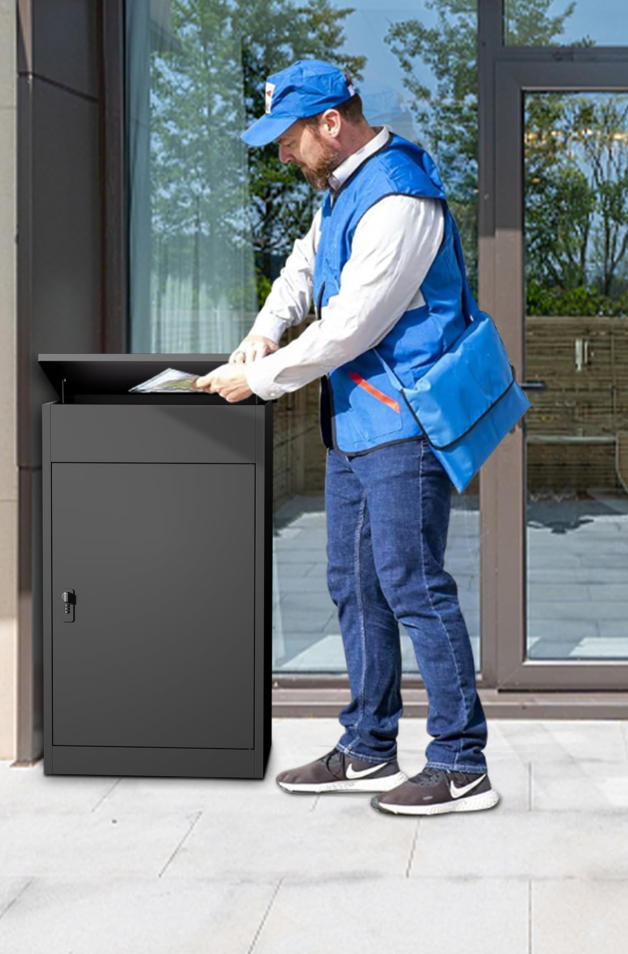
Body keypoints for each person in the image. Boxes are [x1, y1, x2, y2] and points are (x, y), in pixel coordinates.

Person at [193, 59, 498, 817]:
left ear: (332, 124)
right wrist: (263, 334)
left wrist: (260, 380)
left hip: (406, 425)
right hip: (357, 425)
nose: (282, 152)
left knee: (413, 585)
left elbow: (352, 324)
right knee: (355, 584)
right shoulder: (340, 190)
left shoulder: (400, 196)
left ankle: (461, 764)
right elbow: (304, 268)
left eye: (289, 137)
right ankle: (367, 746)